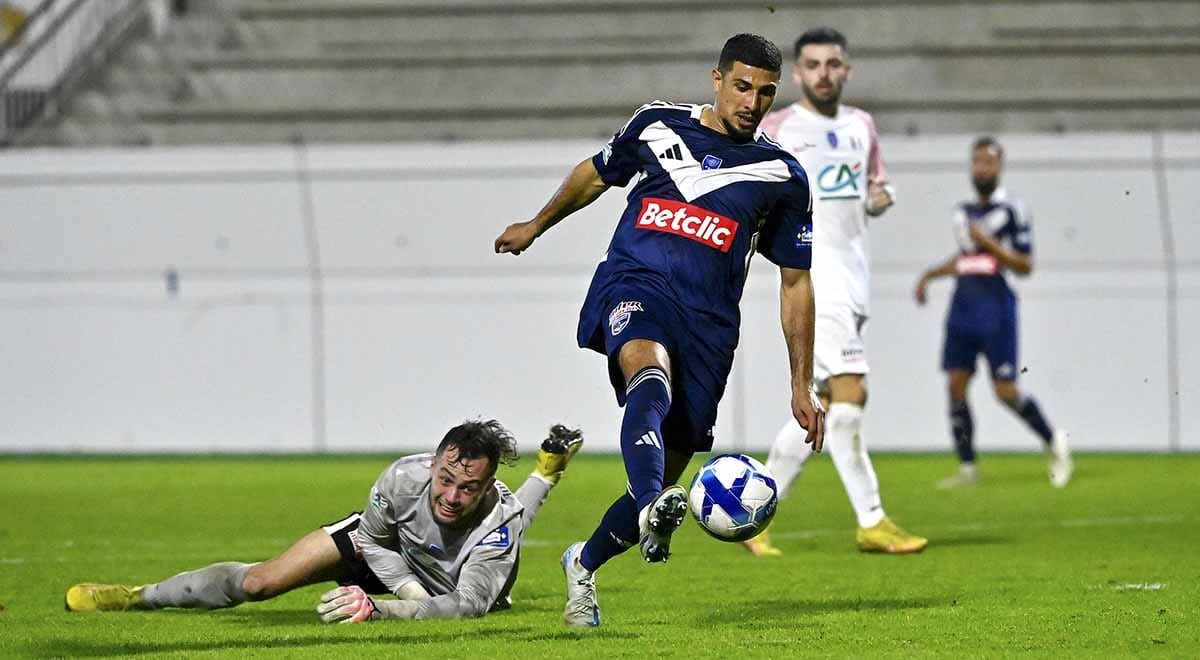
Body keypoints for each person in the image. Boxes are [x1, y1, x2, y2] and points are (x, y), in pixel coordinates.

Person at [494, 33, 826, 628]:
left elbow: (796, 283)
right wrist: (537, 224)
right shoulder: (657, 124)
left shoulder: (783, 175)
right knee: (649, 372)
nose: (752, 101)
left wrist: (801, 384)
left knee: (668, 463)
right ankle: (651, 503)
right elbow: (595, 175)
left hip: (709, 326)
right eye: (743, 86)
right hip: (636, 283)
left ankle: (585, 562)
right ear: (717, 80)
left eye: (766, 93)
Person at [65, 421, 584, 622]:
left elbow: (468, 604)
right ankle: (139, 595)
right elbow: (371, 539)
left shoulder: (500, 521)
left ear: (489, 485)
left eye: (468, 488)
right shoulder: (402, 478)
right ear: (435, 461)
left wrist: (379, 609)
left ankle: (548, 468)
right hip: (384, 553)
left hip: (440, 585)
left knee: (455, 599)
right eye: (445, 478)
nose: (450, 496)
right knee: (258, 581)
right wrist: (400, 589)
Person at [743, 27, 926, 558]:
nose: (824, 73)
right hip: (816, 279)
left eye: (833, 64)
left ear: (846, 70)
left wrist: (880, 197)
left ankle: (752, 515)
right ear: (798, 74)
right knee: (851, 392)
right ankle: (872, 519)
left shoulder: (861, 126)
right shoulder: (776, 128)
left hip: (855, 275)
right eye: (814, 65)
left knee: (823, 404)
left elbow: (875, 187)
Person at [914, 137, 1072, 489]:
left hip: (996, 305)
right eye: (976, 162)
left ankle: (1053, 440)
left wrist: (988, 243)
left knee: (1004, 390)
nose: (981, 169)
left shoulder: (1013, 210)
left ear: (999, 167)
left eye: (988, 162)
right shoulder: (962, 212)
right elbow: (966, 259)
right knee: (955, 383)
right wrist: (929, 276)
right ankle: (968, 467)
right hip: (962, 305)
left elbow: (1024, 265)